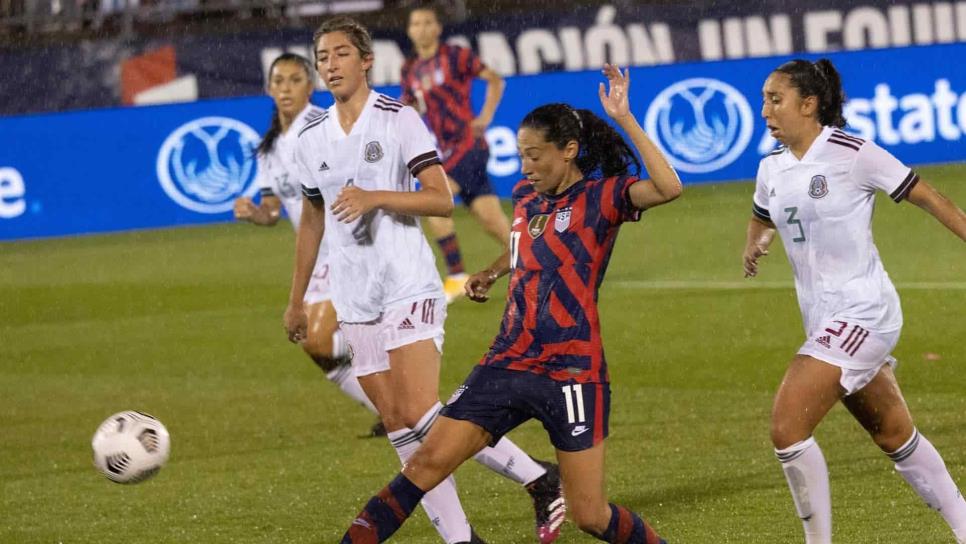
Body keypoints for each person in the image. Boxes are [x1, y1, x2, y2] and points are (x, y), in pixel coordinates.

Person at [340, 64, 681, 544]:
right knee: (424, 465)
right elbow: (527, 246)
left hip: (572, 369)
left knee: (590, 514)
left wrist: (625, 118)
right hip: (508, 359)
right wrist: (493, 270)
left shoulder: (604, 198)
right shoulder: (526, 197)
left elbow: (670, 187)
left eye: (535, 155)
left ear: (569, 151)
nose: (524, 167)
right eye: (520, 155)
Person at [283, 16, 565, 544]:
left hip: (407, 282)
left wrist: (376, 197)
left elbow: (441, 198)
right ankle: (462, 538)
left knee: (419, 411)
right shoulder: (311, 135)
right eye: (322, 57)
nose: (330, 65)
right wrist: (297, 299)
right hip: (354, 295)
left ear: (366, 61)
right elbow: (313, 218)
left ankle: (538, 477)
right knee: (398, 423)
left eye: (341, 53)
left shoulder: (397, 119)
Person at [744, 58, 966, 544]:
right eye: (763, 99)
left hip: (866, 311)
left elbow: (929, 197)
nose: (764, 110)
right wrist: (755, 243)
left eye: (775, 99)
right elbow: (762, 215)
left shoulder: (854, 153)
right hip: (824, 320)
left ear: (809, 104)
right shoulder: (771, 168)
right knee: (894, 435)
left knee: (787, 427)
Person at [233, 52, 383, 438]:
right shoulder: (269, 148)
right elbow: (273, 209)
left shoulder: (321, 125)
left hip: (348, 242)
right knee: (315, 347)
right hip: (318, 254)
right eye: (279, 81)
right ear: (268, 88)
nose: (286, 88)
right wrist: (255, 214)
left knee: (322, 337)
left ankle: (403, 402)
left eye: (295, 80)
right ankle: (391, 409)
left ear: (310, 86)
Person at [401, 4, 512, 303]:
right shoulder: (409, 70)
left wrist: (485, 116)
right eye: (416, 24)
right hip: (445, 152)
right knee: (492, 220)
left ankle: (456, 275)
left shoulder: (455, 56)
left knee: (435, 201)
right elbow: (409, 109)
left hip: (468, 147)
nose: (421, 29)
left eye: (427, 23)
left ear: (437, 28)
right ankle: (539, 257)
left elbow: (495, 80)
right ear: (410, 30)